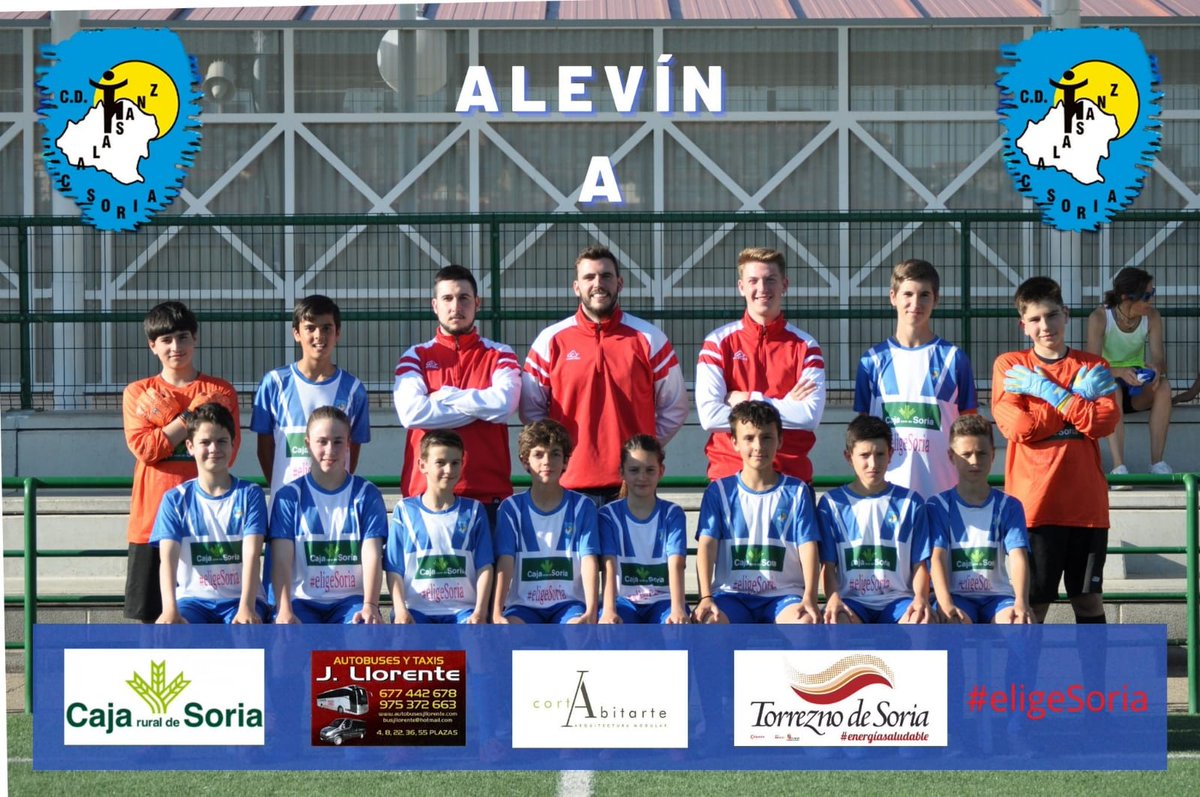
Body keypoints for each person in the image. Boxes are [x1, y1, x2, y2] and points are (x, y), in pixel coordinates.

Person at [992, 276, 1119, 624]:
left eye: (1051, 315)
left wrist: (1050, 395)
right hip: (1034, 508)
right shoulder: (1010, 366)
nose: (1044, 326)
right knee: (1032, 607)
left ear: (1065, 314)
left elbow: (1102, 425)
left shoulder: (1094, 367)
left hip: (1087, 508)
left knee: (1090, 603)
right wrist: (1072, 398)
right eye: (1034, 319)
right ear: (1023, 326)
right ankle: (1023, 683)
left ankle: (1096, 682)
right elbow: (1020, 429)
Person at [521, 245, 688, 504]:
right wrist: (558, 457)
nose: (598, 284)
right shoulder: (550, 340)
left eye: (606, 276)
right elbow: (531, 412)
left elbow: (675, 407)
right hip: (568, 485)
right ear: (576, 287)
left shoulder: (650, 338)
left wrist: (643, 449)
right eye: (589, 277)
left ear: (619, 283)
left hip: (632, 485)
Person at [122, 301, 240, 623]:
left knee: (207, 619)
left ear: (195, 339)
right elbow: (146, 449)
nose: (177, 347)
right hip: (151, 523)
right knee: (152, 623)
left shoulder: (220, 390)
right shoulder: (137, 393)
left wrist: (168, 430)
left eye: (184, 337)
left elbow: (229, 450)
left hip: (208, 525)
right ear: (152, 346)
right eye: (167, 340)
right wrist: (189, 417)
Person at [393, 265, 520, 524]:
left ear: (477, 303)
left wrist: (445, 395)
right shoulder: (415, 356)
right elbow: (412, 413)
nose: (456, 307)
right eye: (447, 299)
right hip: (425, 496)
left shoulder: (500, 354)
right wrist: (480, 408)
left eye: (464, 298)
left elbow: (503, 406)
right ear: (434, 305)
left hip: (488, 497)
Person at [695, 247, 825, 482]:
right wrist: (785, 405)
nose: (762, 289)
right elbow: (710, 416)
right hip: (729, 477)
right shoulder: (717, 343)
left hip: (791, 478)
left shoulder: (806, 346)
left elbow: (808, 417)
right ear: (741, 287)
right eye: (753, 281)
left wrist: (744, 399)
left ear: (785, 285)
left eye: (770, 280)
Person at [854, 258, 977, 498]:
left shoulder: (953, 359)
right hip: (887, 495)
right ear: (893, 297)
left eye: (924, 295)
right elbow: (863, 434)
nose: (915, 303)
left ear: (936, 299)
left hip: (942, 494)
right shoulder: (872, 361)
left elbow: (969, 431)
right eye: (907, 294)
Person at [692, 401, 822, 625]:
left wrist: (810, 595)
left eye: (766, 437)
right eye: (749, 438)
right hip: (731, 595)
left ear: (780, 441)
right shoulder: (719, 491)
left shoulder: (798, 491)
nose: (758, 446)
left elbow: (808, 547)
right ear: (733, 442)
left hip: (783, 595)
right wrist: (705, 596)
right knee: (708, 622)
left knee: (805, 622)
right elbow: (706, 546)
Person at [150, 402, 268, 624]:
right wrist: (169, 610)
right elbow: (167, 560)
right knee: (175, 637)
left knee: (245, 635)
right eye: (205, 442)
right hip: (193, 601)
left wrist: (246, 608)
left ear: (233, 445)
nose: (214, 449)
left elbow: (252, 555)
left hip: (240, 599)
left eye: (221, 441)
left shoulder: (250, 494)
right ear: (190, 446)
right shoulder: (174, 499)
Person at [268, 406, 387, 624]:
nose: (330, 449)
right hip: (301, 600)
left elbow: (372, 554)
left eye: (338, 441)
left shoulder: (366, 494)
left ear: (349, 444)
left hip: (350, 601)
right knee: (289, 643)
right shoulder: (289, 496)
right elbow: (281, 559)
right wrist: (284, 609)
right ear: (307, 444)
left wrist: (370, 605)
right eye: (322, 441)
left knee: (364, 635)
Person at [251, 294, 371, 500]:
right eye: (310, 328)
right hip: (287, 506)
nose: (319, 335)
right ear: (296, 333)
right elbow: (264, 449)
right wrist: (282, 490)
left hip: (335, 504)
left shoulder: (353, 389)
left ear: (338, 333)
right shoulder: (274, 383)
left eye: (326, 328)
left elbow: (352, 450)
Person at [817, 414, 934, 624]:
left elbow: (920, 565)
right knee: (835, 620)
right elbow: (828, 565)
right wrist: (833, 597)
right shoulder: (831, 504)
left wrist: (921, 598)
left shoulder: (911, 502)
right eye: (864, 455)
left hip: (899, 600)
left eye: (880, 454)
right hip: (852, 601)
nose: (873, 463)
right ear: (848, 456)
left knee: (922, 620)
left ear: (891, 454)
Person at [492, 419, 601, 624]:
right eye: (538, 454)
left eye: (555, 454)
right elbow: (505, 562)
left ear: (566, 461)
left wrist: (591, 612)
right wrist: (497, 613)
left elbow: (589, 560)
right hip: (523, 605)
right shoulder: (510, 508)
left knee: (576, 632)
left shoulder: (582, 507)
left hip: (569, 604)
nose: (547, 461)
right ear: (525, 460)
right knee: (510, 631)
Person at [927, 415, 1033, 624]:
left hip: (998, 597)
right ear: (951, 457)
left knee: (1020, 623)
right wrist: (946, 603)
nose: (974, 461)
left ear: (993, 455)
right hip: (957, 595)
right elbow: (936, 558)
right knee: (952, 623)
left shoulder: (1009, 505)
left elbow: (1018, 556)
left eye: (981, 453)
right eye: (966, 454)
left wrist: (1022, 601)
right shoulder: (937, 505)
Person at [385, 429, 494, 624]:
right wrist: (400, 610)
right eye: (440, 463)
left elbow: (484, 566)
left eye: (455, 463)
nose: (449, 470)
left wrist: (480, 612)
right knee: (408, 646)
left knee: (475, 649)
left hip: (463, 612)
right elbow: (394, 568)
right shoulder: (405, 511)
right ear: (422, 465)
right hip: (416, 610)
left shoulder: (475, 511)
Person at [1085, 267, 1173, 479]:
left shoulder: (1152, 317)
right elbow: (1092, 365)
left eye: (1153, 293)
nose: (1151, 300)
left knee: (1163, 387)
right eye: (1146, 295)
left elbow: (1159, 358)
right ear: (1126, 297)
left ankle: (1157, 463)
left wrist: (1157, 368)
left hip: (1136, 386)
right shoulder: (1100, 317)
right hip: (1109, 387)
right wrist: (1120, 371)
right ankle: (1119, 468)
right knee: (1113, 387)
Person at [598, 435, 690, 625]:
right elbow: (609, 564)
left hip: (664, 600)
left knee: (674, 629)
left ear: (661, 471)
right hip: (624, 602)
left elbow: (677, 563)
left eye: (650, 470)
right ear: (621, 472)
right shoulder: (608, 515)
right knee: (612, 630)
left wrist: (678, 608)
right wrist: (608, 611)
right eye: (634, 470)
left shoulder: (672, 514)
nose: (642, 477)